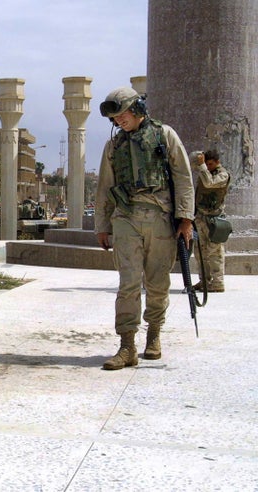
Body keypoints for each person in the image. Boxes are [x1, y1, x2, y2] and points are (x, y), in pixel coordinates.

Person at [95, 87, 195, 370]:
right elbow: (104, 187)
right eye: (114, 118)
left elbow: (184, 178)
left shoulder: (165, 135)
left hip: (160, 218)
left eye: (122, 114)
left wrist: (185, 219)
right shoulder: (113, 146)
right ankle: (127, 346)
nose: (119, 121)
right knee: (127, 283)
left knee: (157, 283)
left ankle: (154, 335)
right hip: (125, 218)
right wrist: (102, 226)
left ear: (137, 109)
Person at [191, 149, 231, 292]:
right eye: (206, 164)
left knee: (215, 251)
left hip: (214, 219)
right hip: (200, 218)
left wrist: (202, 166)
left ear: (217, 162)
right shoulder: (205, 172)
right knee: (200, 251)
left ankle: (218, 282)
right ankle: (204, 281)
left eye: (210, 164)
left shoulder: (223, 175)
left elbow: (209, 183)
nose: (207, 167)